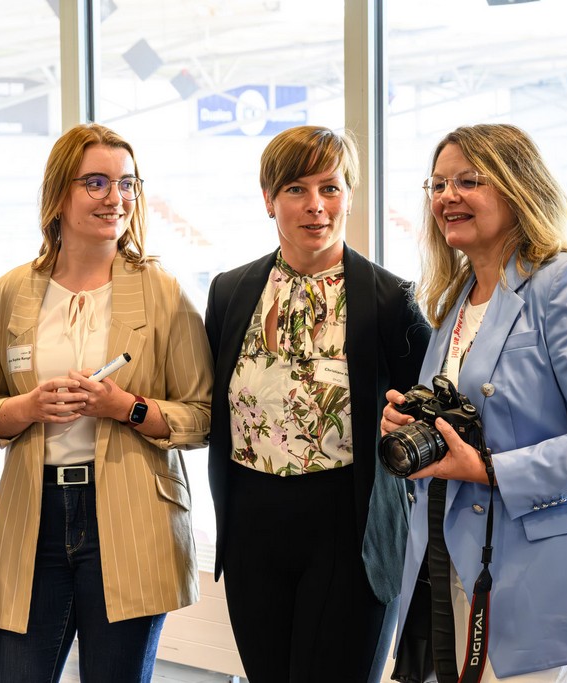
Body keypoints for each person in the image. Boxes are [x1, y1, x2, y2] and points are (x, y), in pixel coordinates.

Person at [382, 123, 567, 682]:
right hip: (450, 566)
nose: (447, 196)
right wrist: (409, 423)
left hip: (536, 580)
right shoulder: (456, 298)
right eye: (437, 184)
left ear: (517, 186)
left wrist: (488, 469)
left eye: (468, 181)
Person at [0, 122, 213, 682]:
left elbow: (203, 416)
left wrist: (127, 407)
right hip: (33, 517)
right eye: (96, 182)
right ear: (58, 194)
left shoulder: (163, 292)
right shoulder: (8, 293)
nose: (114, 197)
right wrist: (26, 408)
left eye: (127, 183)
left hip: (132, 516)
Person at [204, 125, 430, 682]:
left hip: (347, 526)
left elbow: (429, 409)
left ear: (349, 195)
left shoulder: (392, 300)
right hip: (251, 525)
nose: (315, 205)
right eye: (296, 189)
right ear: (268, 199)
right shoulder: (230, 291)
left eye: (330, 187)